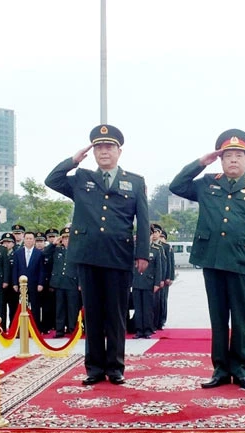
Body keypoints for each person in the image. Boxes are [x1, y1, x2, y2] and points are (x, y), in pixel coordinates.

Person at [45, 124, 150, 386]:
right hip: (88, 255)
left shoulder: (134, 182)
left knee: (116, 314)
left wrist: (143, 254)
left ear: (119, 151)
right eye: (99, 147)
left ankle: (115, 367)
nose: (104, 152)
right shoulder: (81, 178)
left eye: (109, 147)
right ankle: (94, 367)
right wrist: (73, 160)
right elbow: (52, 180)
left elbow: (143, 219)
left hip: (118, 255)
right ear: (93, 152)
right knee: (92, 313)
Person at [169, 128, 245, 390]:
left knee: (241, 318)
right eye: (228, 156)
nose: (233, 160)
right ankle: (220, 370)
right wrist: (201, 162)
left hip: (242, 261)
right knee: (218, 318)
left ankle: (241, 369)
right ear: (221, 159)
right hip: (212, 259)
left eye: (239, 155)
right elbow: (176, 185)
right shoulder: (206, 183)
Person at [49, 227, 81, 338]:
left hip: (72, 282)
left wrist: (80, 283)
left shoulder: (77, 251)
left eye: (68, 238)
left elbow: (80, 268)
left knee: (73, 308)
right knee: (60, 308)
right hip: (59, 283)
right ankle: (60, 330)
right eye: (64, 238)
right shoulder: (57, 250)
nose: (66, 240)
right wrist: (53, 244)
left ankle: (72, 329)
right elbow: (45, 254)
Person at [132, 226, 163, 339]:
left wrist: (157, 283)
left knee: (148, 308)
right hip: (136, 282)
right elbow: (131, 266)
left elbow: (158, 268)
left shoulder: (155, 249)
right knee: (138, 308)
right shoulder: (135, 248)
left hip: (149, 282)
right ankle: (139, 330)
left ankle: (148, 330)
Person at [12, 232, 45, 333]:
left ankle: (35, 328)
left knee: (35, 306)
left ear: (34, 240)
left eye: (31, 238)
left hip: (34, 284)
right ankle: (21, 328)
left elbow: (42, 270)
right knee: (22, 306)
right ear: (24, 240)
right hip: (21, 285)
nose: (29, 240)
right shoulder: (18, 252)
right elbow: (15, 269)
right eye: (27, 238)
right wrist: (14, 283)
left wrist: (40, 283)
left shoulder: (39, 253)